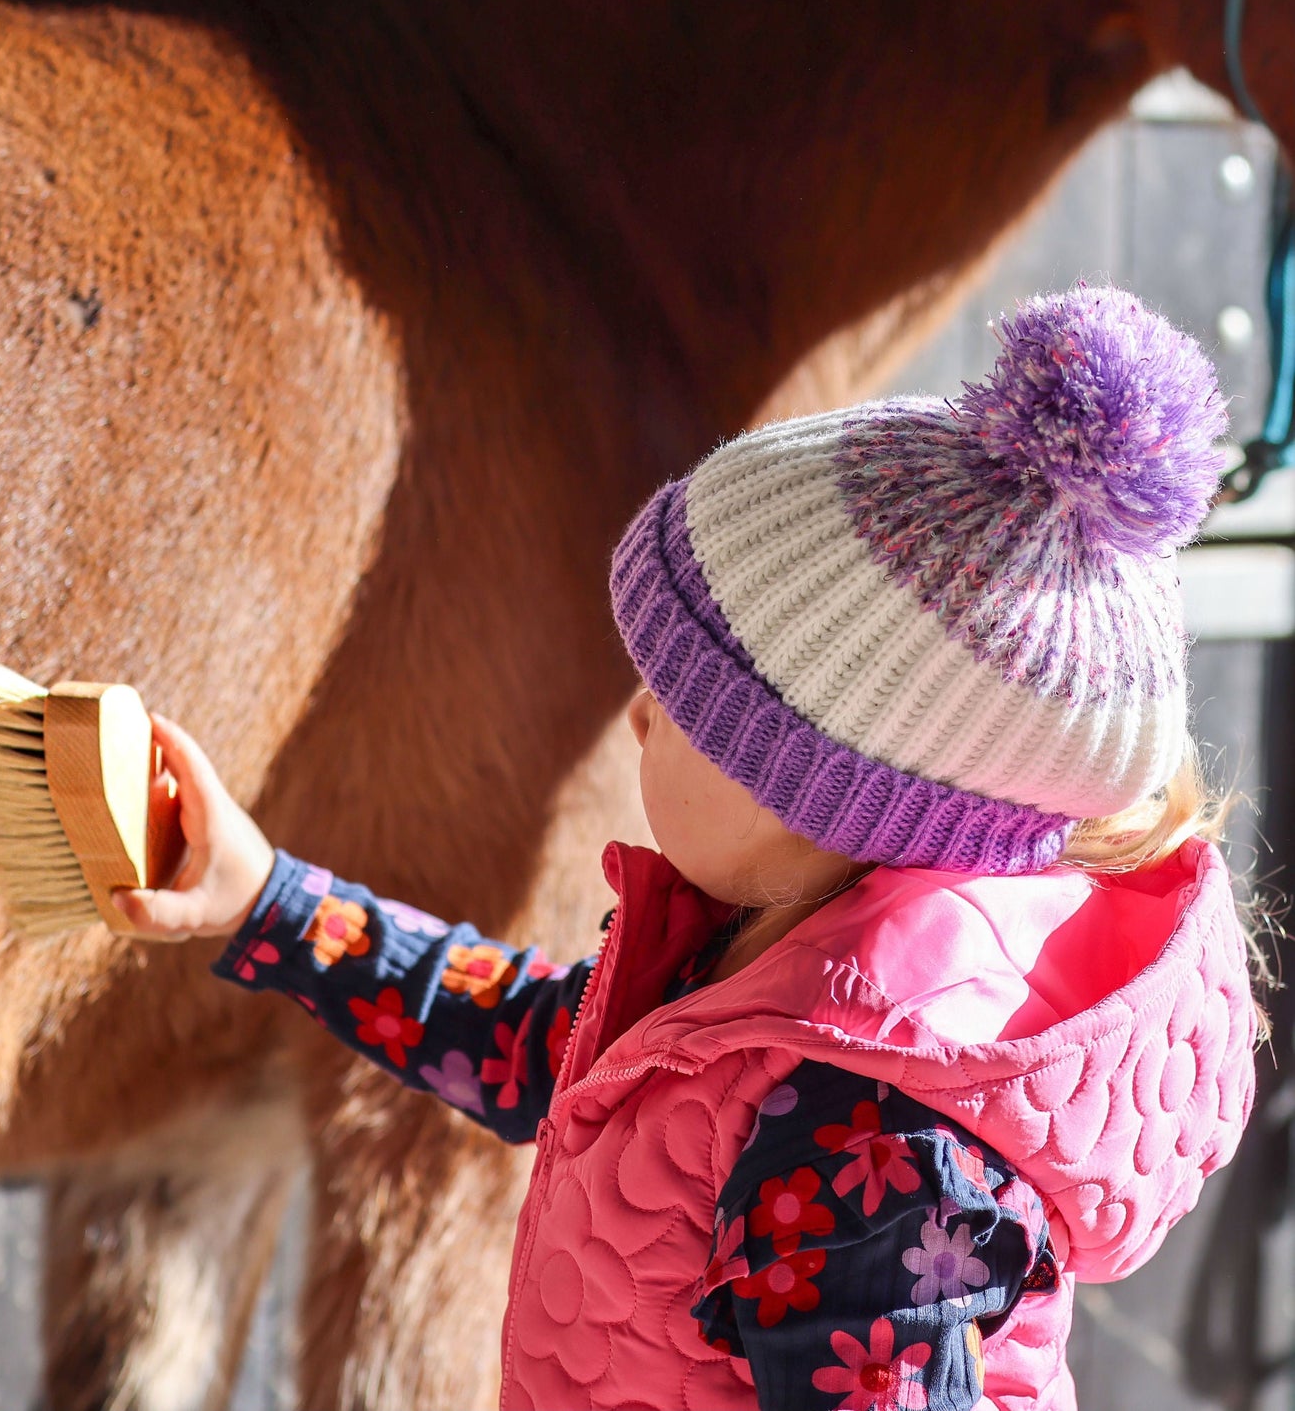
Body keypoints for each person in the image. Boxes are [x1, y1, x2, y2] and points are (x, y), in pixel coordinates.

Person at [115, 286, 1259, 1411]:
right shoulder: (756, 970)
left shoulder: (862, 1143)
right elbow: (532, 1042)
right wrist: (266, 897)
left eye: (681, 697)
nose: (637, 718)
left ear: (820, 794)